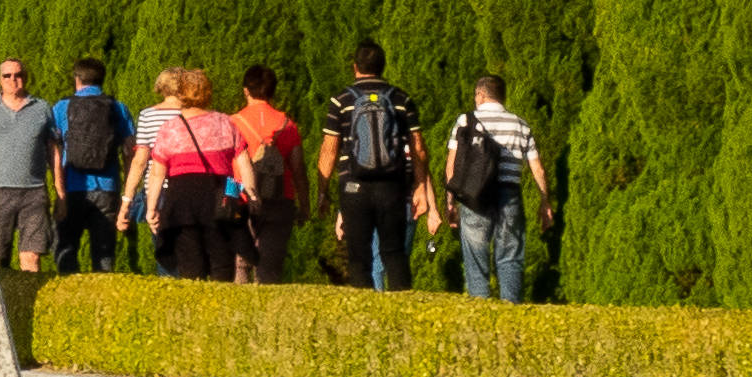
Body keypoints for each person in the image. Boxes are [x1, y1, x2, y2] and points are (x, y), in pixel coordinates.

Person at [314, 45, 425, 294]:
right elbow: (418, 148)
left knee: (358, 254)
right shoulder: (401, 99)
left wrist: (323, 191)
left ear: (355, 67)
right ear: (383, 66)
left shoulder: (341, 100)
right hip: (392, 186)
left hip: (353, 186)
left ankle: (363, 311)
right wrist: (420, 186)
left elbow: (329, 149)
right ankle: (402, 308)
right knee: (394, 252)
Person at [438, 76, 552, 305]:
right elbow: (537, 169)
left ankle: (480, 311)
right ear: (502, 96)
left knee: (475, 257)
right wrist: (544, 202)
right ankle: (511, 309)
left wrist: (450, 201)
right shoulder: (520, 124)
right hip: (509, 195)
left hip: (473, 196)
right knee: (510, 256)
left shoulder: (465, 121)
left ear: (480, 94)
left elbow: (452, 166)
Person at [133, 68, 253, 283]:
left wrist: (151, 208)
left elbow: (158, 172)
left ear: (181, 94)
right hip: (219, 194)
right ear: (208, 92)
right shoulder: (226, 122)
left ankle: (195, 308)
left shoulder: (170, 128)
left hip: (182, 198)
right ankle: (221, 307)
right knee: (221, 259)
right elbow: (242, 161)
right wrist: (245, 194)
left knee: (190, 262)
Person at [0, 57, 60, 277]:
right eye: (7, 75)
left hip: (34, 192)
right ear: (0, 79)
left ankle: (29, 304)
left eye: (17, 75)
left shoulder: (42, 108)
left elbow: (53, 152)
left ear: (25, 77)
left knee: (31, 256)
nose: (12, 79)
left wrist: (60, 191)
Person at [50, 61, 133, 276]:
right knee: (104, 257)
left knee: (66, 250)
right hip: (107, 187)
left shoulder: (61, 107)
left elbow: (53, 151)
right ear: (103, 78)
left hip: (72, 188)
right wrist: (127, 191)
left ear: (76, 79)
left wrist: (58, 192)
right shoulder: (118, 107)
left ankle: (67, 301)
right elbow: (130, 151)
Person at [226, 67, 306, 285]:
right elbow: (298, 167)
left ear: (245, 91)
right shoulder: (288, 125)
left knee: (239, 262)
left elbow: (226, 166)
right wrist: (304, 204)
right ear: (273, 91)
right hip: (280, 198)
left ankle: (238, 313)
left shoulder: (233, 123)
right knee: (269, 266)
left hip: (241, 198)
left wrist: (227, 199)